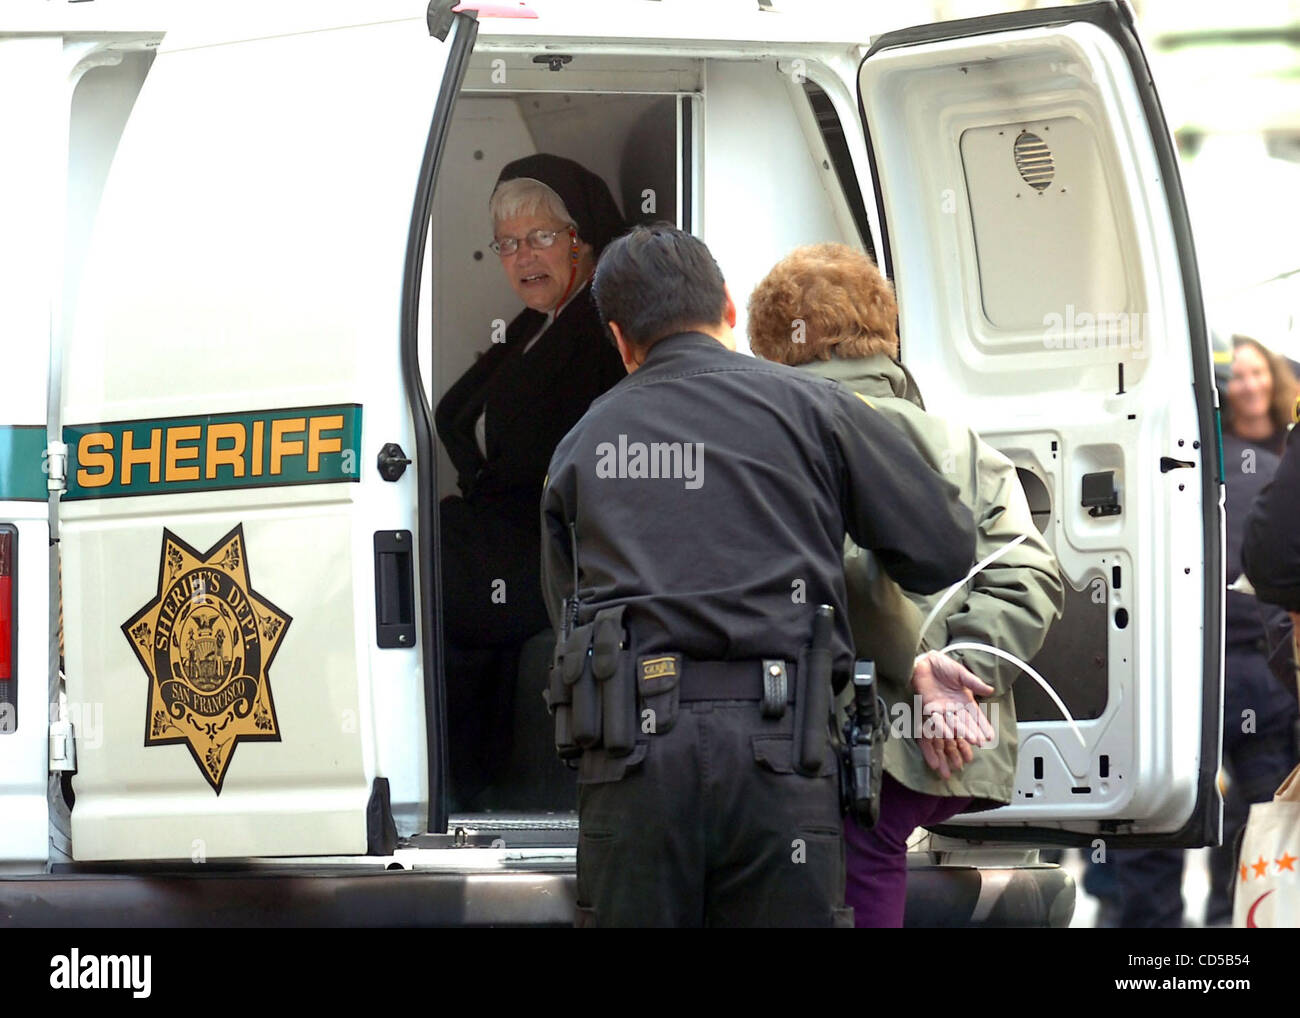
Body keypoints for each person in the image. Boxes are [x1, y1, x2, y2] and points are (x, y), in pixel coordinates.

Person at [539, 224, 977, 928]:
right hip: (783, 759)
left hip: (632, 767)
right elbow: (945, 548)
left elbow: (565, 608)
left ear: (620, 339)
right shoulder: (816, 409)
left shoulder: (583, 442)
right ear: (729, 310)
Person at [746, 243, 1064, 927]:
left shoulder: (783, 440)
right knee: (875, 843)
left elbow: (833, 582)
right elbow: (1030, 572)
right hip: (946, 733)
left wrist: (917, 665)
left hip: (842, 729)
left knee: (851, 851)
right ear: (881, 334)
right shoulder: (959, 441)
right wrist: (967, 665)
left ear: (777, 346)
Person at [435, 154, 626, 807]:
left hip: (551, 552)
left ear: (584, 238)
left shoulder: (601, 329)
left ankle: (450, 788)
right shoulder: (536, 324)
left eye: (542, 237)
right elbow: (461, 417)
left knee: (411, 569)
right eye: (509, 244)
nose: (523, 257)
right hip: (500, 531)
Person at [1109, 334, 1298, 926]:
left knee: (1158, 813)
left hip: (1176, 673)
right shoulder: (1266, 468)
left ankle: (1152, 939)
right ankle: (1230, 925)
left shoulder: (1144, 477)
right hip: (1257, 672)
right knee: (1260, 815)